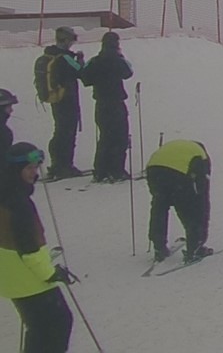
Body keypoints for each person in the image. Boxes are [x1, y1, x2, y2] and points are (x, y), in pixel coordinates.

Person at [0, 143, 75, 353]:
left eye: (35, 167)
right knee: (57, 324)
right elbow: (29, 249)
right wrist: (50, 273)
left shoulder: (6, 194)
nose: (34, 173)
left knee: (40, 328)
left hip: (11, 276)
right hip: (28, 278)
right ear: (16, 169)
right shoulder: (18, 203)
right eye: (29, 168)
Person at [145, 138, 211, 263]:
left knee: (159, 208)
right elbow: (202, 198)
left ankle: (158, 246)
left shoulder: (179, 147)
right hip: (178, 175)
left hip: (154, 170)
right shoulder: (201, 157)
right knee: (194, 209)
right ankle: (195, 249)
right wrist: (199, 235)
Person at [80, 31, 133, 183]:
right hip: (116, 103)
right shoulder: (118, 60)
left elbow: (85, 78)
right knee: (120, 137)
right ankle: (116, 170)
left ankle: (101, 170)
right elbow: (128, 72)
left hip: (101, 104)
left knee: (105, 137)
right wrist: (120, 56)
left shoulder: (95, 61)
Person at [33, 29, 85, 181]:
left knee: (60, 130)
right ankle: (64, 165)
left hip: (55, 98)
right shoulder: (65, 57)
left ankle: (57, 164)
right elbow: (81, 72)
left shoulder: (49, 55)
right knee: (67, 132)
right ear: (66, 40)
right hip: (67, 99)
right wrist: (80, 60)